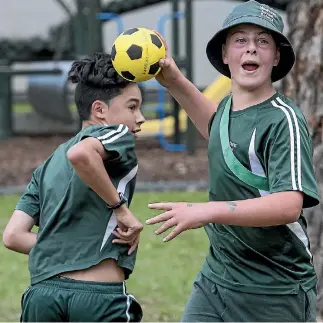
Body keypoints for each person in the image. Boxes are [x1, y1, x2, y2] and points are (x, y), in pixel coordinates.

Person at [147, 1, 320, 321]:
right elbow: (217, 130)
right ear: (225, 54)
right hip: (217, 282)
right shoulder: (226, 109)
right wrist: (172, 79)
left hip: (275, 290)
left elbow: (288, 205)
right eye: (240, 40)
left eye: (263, 41)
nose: (251, 49)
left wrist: (206, 211)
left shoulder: (284, 120)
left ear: (276, 57)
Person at [2, 52, 145, 322]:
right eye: (132, 106)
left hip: (42, 295)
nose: (140, 118)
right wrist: (120, 208)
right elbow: (81, 155)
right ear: (100, 110)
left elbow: (13, 236)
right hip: (98, 298)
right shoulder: (116, 135)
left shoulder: (47, 165)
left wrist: (68, 248)